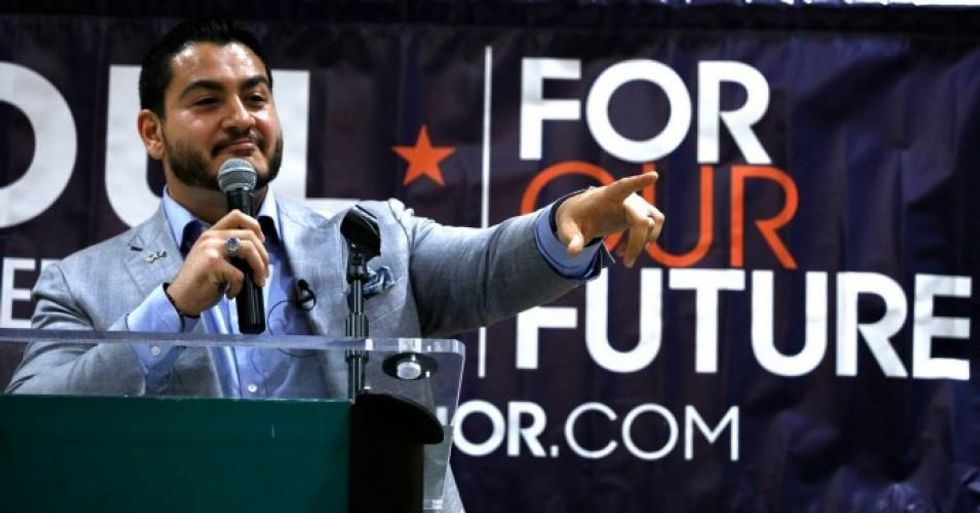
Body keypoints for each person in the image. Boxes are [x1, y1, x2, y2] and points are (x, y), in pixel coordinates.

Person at [6, 19, 664, 512]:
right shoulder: (81, 283)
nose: (241, 118)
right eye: (207, 101)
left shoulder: (373, 235)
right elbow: (33, 429)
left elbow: (486, 267)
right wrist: (172, 304)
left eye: (255, 96)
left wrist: (565, 220)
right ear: (152, 132)